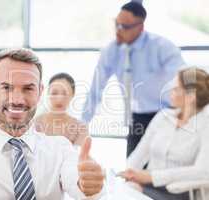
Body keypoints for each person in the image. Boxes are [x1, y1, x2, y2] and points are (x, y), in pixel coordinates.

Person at [0, 48, 105, 200]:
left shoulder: (60, 148)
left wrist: (87, 183)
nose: (17, 100)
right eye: (6, 87)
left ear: (39, 92)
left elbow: (75, 177)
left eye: (28, 88)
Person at [81, 2, 185, 157]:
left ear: (140, 27)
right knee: (132, 170)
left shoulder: (162, 47)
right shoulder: (111, 51)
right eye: (117, 24)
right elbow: (97, 87)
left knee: (162, 168)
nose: (118, 30)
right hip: (136, 117)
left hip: (166, 114)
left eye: (125, 26)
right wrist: (83, 123)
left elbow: (183, 81)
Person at [120, 68, 209, 200]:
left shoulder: (205, 126)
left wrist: (152, 177)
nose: (170, 92)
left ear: (191, 97)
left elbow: (203, 171)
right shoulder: (163, 117)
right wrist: (130, 173)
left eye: (176, 89)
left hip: (179, 191)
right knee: (124, 191)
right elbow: (139, 154)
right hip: (146, 185)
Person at [35, 73, 88, 146]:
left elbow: (80, 156)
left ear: (72, 95)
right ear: (48, 94)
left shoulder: (80, 128)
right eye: (54, 93)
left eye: (64, 93)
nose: (59, 99)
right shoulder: (34, 124)